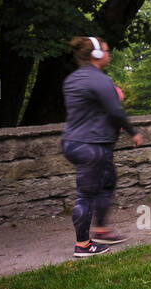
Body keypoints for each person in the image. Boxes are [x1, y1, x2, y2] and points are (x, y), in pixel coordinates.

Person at [60, 37, 145, 257]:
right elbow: (115, 111)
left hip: (73, 142)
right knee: (85, 195)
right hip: (91, 145)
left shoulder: (72, 79)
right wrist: (133, 132)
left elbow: (89, 109)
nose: (109, 55)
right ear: (96, 55)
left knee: (107, 181)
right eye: (106, 51)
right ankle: (83, 245)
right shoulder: (100, 79)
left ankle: (102, 230)